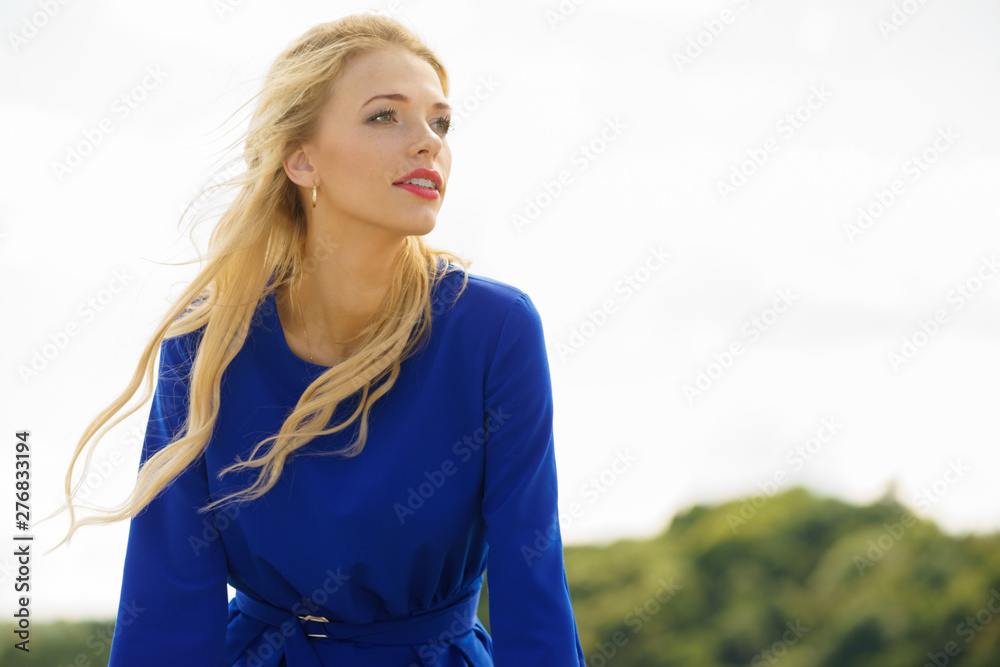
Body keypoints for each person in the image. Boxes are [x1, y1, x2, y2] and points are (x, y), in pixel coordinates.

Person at [56, 12, 586, 666]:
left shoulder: (494, 330)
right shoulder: (207, 341)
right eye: (386, 116)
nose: (428, 143)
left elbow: (531, 582)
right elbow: (165, 605)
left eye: (440, 122)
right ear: (301, 158)